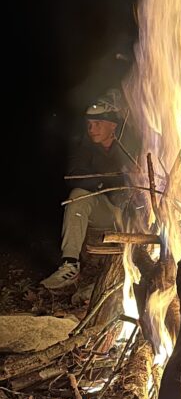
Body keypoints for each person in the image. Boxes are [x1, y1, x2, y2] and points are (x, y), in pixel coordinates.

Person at [41, 95, 134, 291]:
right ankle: (70, 265)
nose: (92, 129)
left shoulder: (130, 144)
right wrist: (106, 181)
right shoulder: (85, 147)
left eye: (98, 123)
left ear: (113, 125)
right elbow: (76, 176)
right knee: (77, 197)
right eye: (90, 124)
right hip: (107, 211)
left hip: (134, 213)